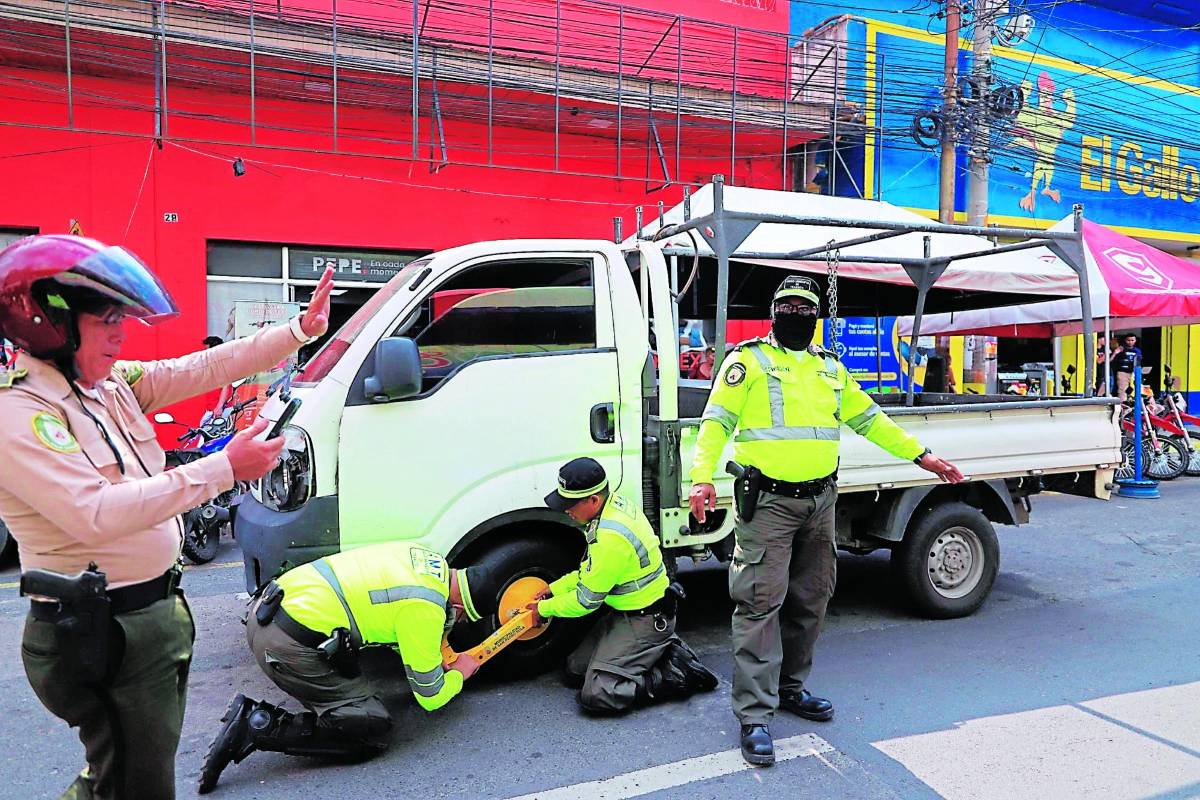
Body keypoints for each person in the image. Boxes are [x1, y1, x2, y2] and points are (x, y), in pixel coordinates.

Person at [0, 234, 334, 800]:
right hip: (100, 628)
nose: (120, 333)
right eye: (106, 319)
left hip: (147, 614)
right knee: (136, 785)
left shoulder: (105, 387)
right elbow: (95, 514)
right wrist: (224, 467)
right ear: (50, 320)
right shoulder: (20, 411)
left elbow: (201, 367)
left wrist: (298, 331)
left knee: (119, 775)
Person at [688, 275, 964, 767]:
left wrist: (921, 456)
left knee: (812, 599)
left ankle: (791, 688)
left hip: (821, 502)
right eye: (787, 305)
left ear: (817, 316)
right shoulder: (747, 360)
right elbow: (716, 423)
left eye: (804, 307)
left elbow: (869, 419)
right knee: (758, 605)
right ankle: (755, 716)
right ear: (774, 312)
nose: (795, 312)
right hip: (767, 503)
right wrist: (701, 477)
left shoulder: (830, 369)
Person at [199, 542, 496, 793]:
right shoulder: (426, 607)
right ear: (458, 609)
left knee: (354, 677)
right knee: (371, 728)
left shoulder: (425, 557)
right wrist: (460, 673)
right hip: (284, 644)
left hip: (268, 607)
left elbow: (387, 612)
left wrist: (431, 647)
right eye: (461, 620)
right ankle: (257, 726)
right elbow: (430, 697)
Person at [532, 457, 718, 715]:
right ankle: (653, 651)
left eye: (570, 504)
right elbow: (590, 574)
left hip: (647, 620)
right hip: (627, 612)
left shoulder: (611, 537)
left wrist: (543, 610)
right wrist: (555, 588)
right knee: (574, 670)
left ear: (593, 500)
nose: (566, 510)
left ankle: (675, 670)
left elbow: (586, 601)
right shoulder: (611, 508)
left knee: (597, 693)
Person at [1113, 333, 1142, 399]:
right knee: (1122, 390)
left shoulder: (1137, 351)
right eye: (1128, 340)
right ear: (1125, 340)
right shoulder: (1121, 349)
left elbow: (1139, 361)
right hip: (1122, 372)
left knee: (1133, 389)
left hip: (1133, 372)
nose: (1130, 342)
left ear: (1135, 340)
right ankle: (1123, 405)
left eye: (1132, 340)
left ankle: (1130, 402)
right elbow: (1114, 360)